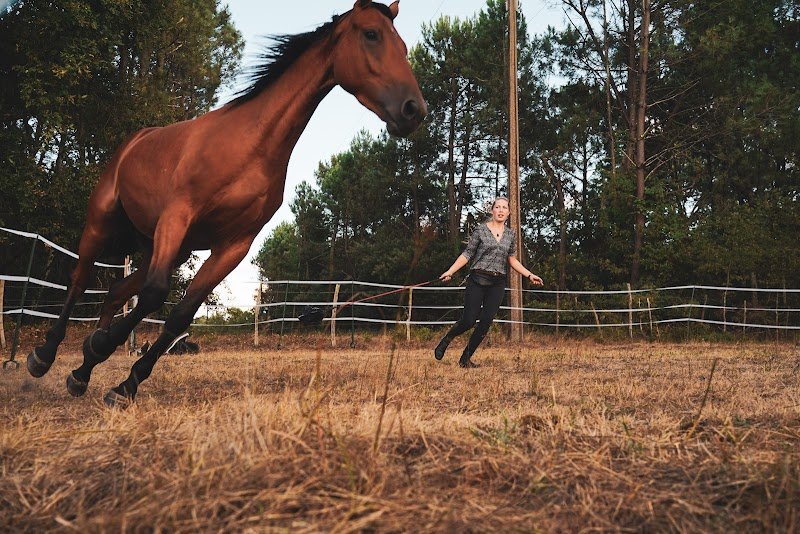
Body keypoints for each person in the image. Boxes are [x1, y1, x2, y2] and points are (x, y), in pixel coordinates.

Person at [435, 197, 543, 368]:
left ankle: (465, 358)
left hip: (497, 282)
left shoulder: (511, 235)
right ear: (492, 210)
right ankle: (446, 339)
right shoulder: (480, 230)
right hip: (477, 279)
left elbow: (513, 260)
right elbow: (467, 254)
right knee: (469, 320)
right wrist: (450, 271)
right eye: (497, 207)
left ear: (508, 213)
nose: (500, 210)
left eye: (504, 208)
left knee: (485, 322)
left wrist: (529, 275)